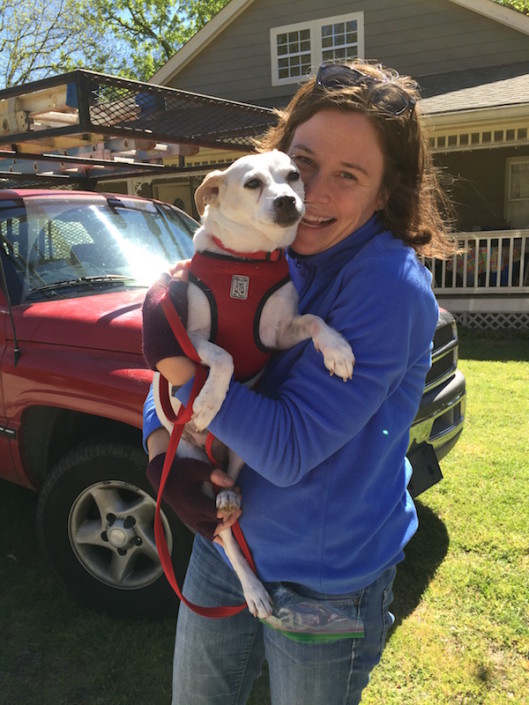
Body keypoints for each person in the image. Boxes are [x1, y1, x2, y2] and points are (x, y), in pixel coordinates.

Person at [142, 59, 456, 705]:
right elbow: (166, 384)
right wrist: (159, 452)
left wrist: (182, 363)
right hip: (223, 541)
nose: (306, 194)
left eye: (348, 176)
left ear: (383, 192)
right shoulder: (257, 248)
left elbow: (285, 450)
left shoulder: (387, 288)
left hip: (325, 576)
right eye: (302, 161)